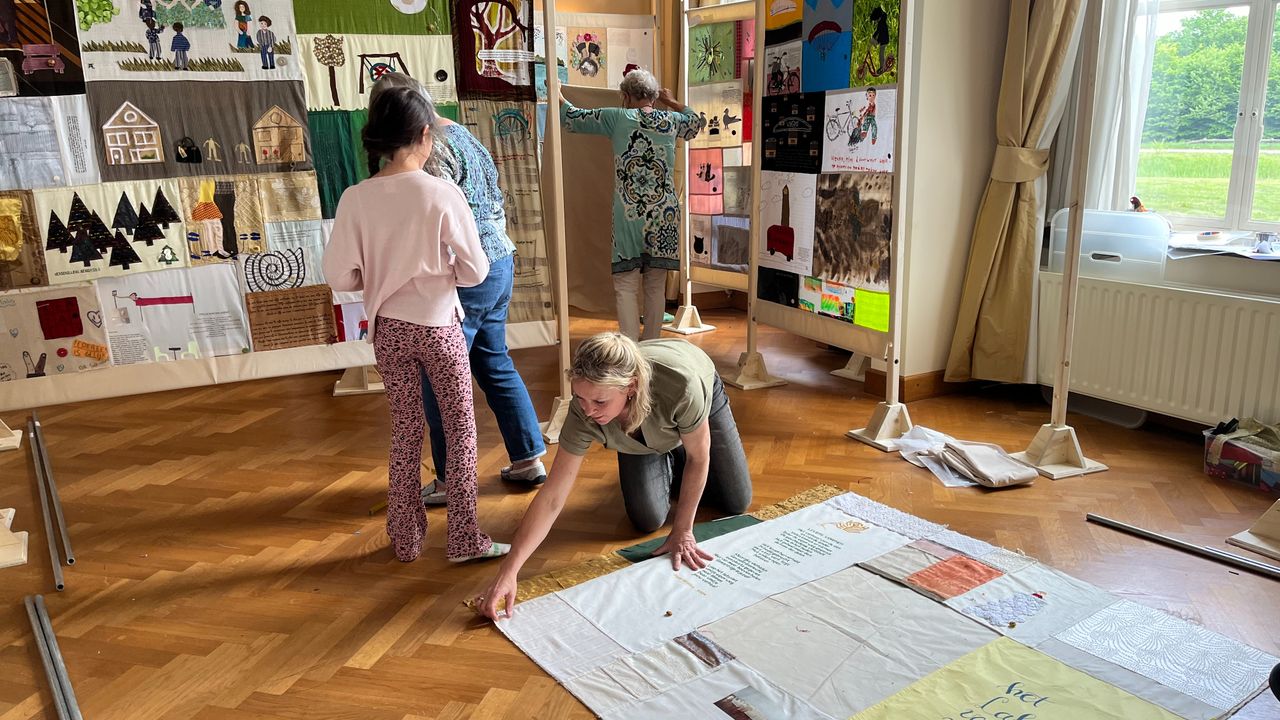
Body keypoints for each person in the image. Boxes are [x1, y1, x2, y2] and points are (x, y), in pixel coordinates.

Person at [322, 85, 509, 564]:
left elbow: (339, 276)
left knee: (405, 430)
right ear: (425, 134)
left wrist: (376, 275)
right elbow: (476, 271)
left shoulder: (355, 198)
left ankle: (405, 539)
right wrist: (443, 272)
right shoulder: (441, 192)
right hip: (439, 326)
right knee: (461, 429)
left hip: (388, 330)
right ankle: (464, 540)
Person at [479, 333, 752, 619]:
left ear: (630, 387)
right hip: (634, 428)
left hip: (696, 383)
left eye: (599, 401)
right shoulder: (584, 411)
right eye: (580, 397)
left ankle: (676, 444)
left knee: (736, 500)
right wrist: (509, 571)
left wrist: (683, 530)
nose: (588, 411)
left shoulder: (682, 386)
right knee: (647, 519)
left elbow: (699, 457)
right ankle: (669, 450)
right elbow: (552, 497)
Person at [369, 73, 548, 505]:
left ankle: (451, 480)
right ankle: (528, 458)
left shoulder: (424, 149)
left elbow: (433, 216)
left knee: (437, 377)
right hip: (499, 261)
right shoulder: (462, 133)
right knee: (494, 361)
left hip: (465, 272)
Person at [559, 69, 704, 341]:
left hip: (629, 213)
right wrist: (672, 102)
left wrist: (556, 92)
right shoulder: (671, 120)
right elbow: (696, 122)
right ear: (654, 96)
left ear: (626, 96)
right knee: (656, 285)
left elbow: (573, 117)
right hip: (664, 213)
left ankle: (631, 352)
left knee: (625, 285)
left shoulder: (617, 117)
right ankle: (652, 346)